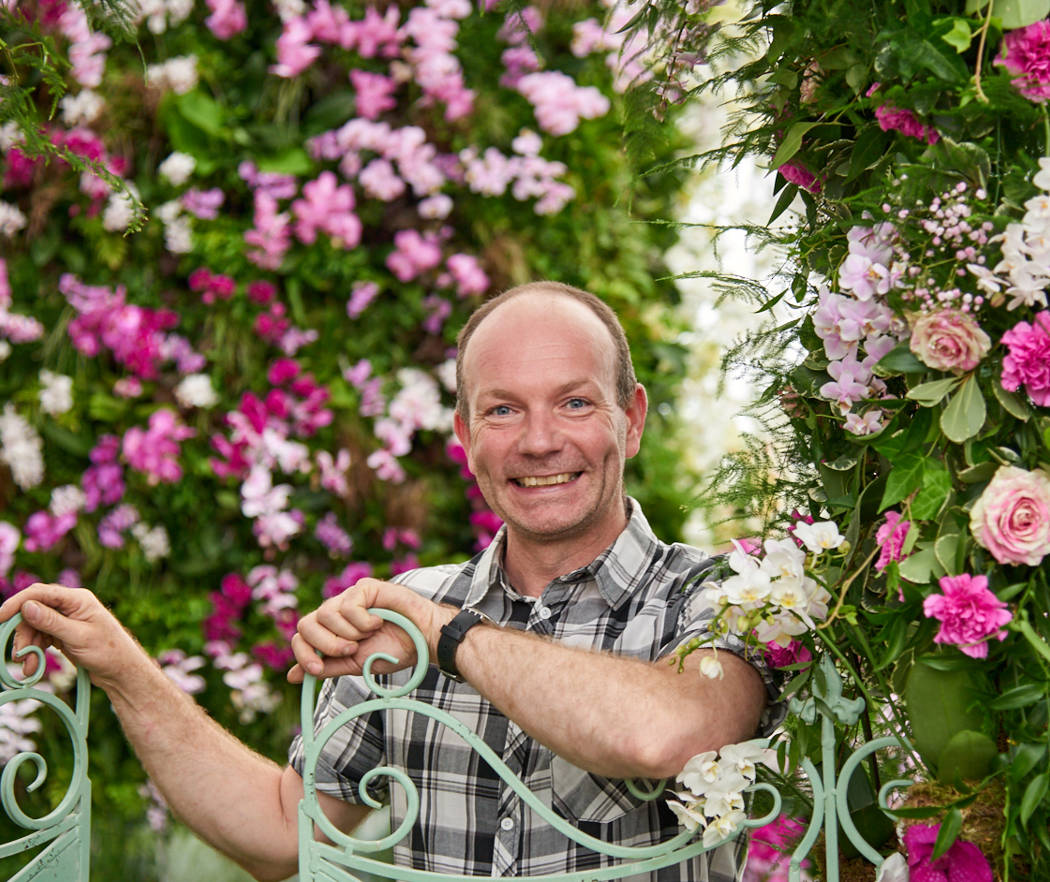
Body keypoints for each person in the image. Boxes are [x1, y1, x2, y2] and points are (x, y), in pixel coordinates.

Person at [0, 282, 772, 882]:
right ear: (466, 437)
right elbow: (281, 832)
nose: (540, 441)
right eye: (503, 410)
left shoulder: (716, 595)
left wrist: (449, 636)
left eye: (574, 403)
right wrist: (123, 669)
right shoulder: (412, 605)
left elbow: (673, 733)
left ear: (630, 420)